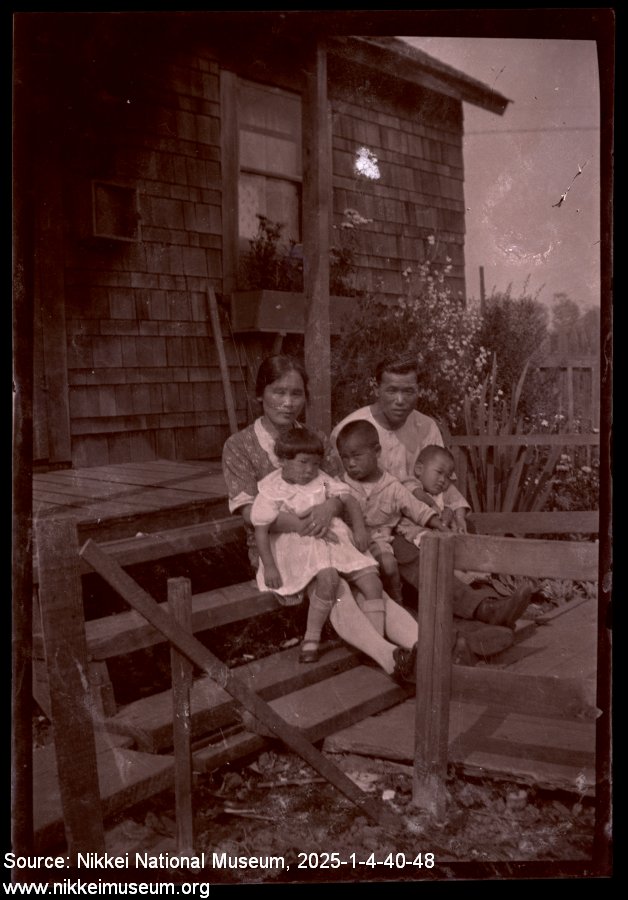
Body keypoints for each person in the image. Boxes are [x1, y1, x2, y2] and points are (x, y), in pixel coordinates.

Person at [221, 354, 425, 683]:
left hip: (331, 534)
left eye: (296, 394)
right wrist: (305, 524)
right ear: (260, 394)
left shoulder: (316, 439)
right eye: (278, 392)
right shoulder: (240, 446)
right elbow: (249, 512)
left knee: (367, 582)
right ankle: (389, 657)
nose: (287, 403)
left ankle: (424, 647)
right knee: (335, 583)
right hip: (277, 546)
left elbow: (340, 491)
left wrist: (329, 509)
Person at [330, 356, 532, 636]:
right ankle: (482, 610)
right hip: (378, 526)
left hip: (421, 513)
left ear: (419, 390)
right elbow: (337, 490)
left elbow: (443, 480)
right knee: (412, 550)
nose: (400, 400)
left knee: (461, 530)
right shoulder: (352, 429)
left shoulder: (426, 426)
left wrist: (457, 510)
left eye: (409, 391)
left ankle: (487, 604)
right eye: (391, 390)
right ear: (377, 389)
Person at [251, 425, 393, 661]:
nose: (310, 470)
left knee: (372, 582)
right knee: (328, 579)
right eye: (303, 462)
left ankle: (376, 641)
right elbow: (261, 529)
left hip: (334, 540)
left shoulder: (323, 481)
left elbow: (348, 500)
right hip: (299, 546)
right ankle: (312, 637)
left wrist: (359, 529)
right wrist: (270, 566)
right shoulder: (272, 488)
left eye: (315, 464)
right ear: (282, 461)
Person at [335, 418, 448, 602]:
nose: (351, 464)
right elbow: (323, 487)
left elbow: (417, 509)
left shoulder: (392, 486)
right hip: (349, 540)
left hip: (378, 539)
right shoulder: (340, 482)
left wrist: (440, 525)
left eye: (357, 456)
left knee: (388, 565)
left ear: (377, 452)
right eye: (345, 457)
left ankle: (396, 597)